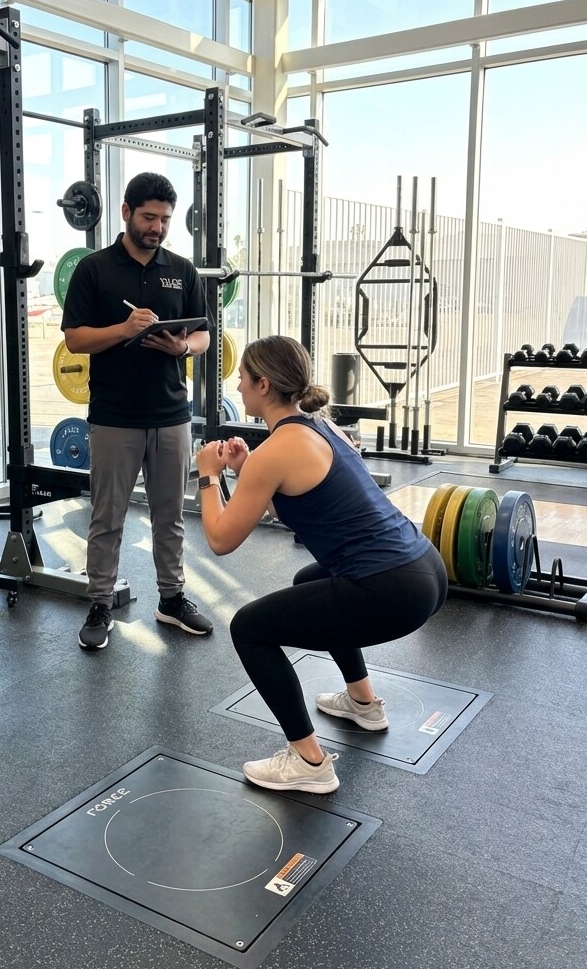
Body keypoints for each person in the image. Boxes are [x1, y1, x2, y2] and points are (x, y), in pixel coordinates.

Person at [194, 335, 448, 794]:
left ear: (264, 385)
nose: (238, 383)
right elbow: (285, 504)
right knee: (308, 580)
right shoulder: (318, 426)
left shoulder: (277, 450)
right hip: (424, 568)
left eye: (244, 377)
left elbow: (219, 540)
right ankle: (363, 702)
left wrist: (207, 474)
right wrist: (243, 470)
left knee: (249, 629)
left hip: (390, 588)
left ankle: (309, 761)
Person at [61, 171, 214, 651]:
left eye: (165, 219)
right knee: (108, 517)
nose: (158, 227)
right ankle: (100, 603)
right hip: (114, 416)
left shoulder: (182, 269)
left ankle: (171, 600)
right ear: (126, 212)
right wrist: (125, 329)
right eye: (149, 217)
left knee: (170, 515)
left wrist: (183, 348)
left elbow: (204, 334)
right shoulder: (95, 269)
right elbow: (75, 338)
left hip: (171, 414)